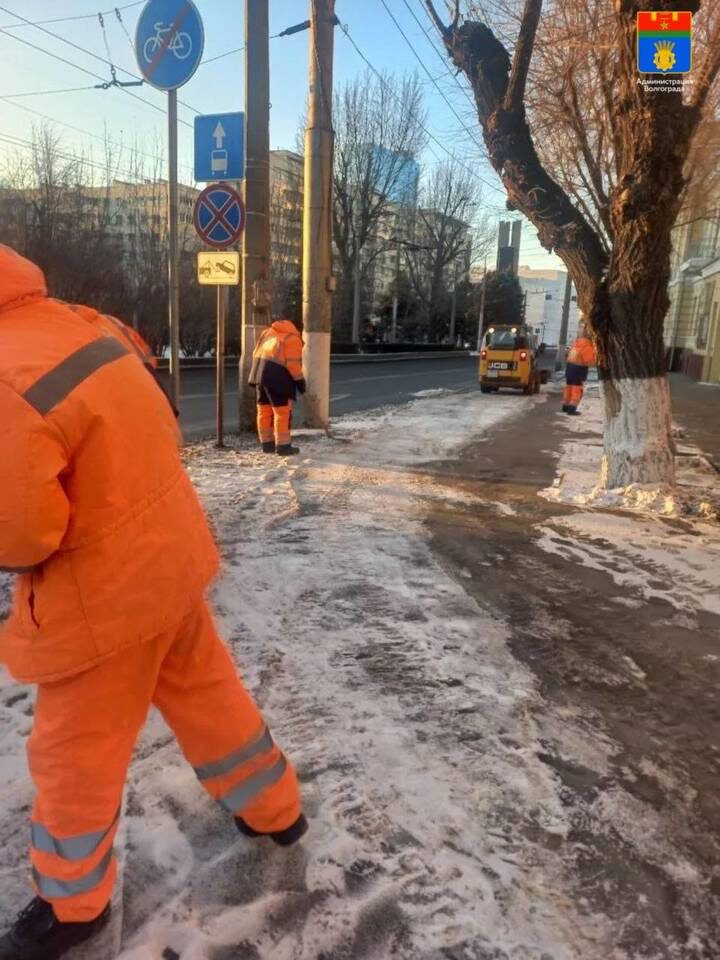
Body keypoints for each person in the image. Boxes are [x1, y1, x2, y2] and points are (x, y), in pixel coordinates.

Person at [0, 245, 307, 960]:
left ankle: (71, 905)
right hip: (168, 553)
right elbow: (158, 415)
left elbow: (24, 529)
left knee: (75, 750)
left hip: (102, 594)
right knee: (208, 694)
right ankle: (277, 811)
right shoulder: (73, 325)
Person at [249, 316, 306, 456]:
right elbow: (294, 366)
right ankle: (283, 446)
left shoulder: (267, 332)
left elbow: (255, 352)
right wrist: (300, 383)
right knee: (282, 412)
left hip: (259, 375)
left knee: (264, 411)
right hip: (277, 379)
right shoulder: (292, 339)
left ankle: (267, 444)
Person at [562, 323, 596, 415]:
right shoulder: (587, 346)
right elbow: (589, 361)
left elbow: (569, 357)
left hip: (569, 370)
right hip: (578, 371)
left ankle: (565, 406)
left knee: (568, 388)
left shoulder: (576, 344)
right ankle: (572, 409)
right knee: (576, 390)